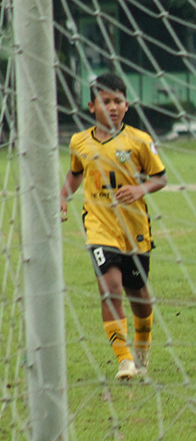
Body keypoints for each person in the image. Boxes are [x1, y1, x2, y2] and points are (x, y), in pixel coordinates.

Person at [60, 73, 168, 380]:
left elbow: (161, 177)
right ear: (92, 106)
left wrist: (139, 190)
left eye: (118, 101)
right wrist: (63, 198)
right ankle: (124, 360)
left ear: (127, 105)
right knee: (110, 288)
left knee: (139, 295)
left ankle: (142, 346)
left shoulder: (140, 141)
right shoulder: (79, 141)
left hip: (134, 229)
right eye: (106, 102)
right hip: (98, 226)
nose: (113, 107)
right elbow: (75, 173)